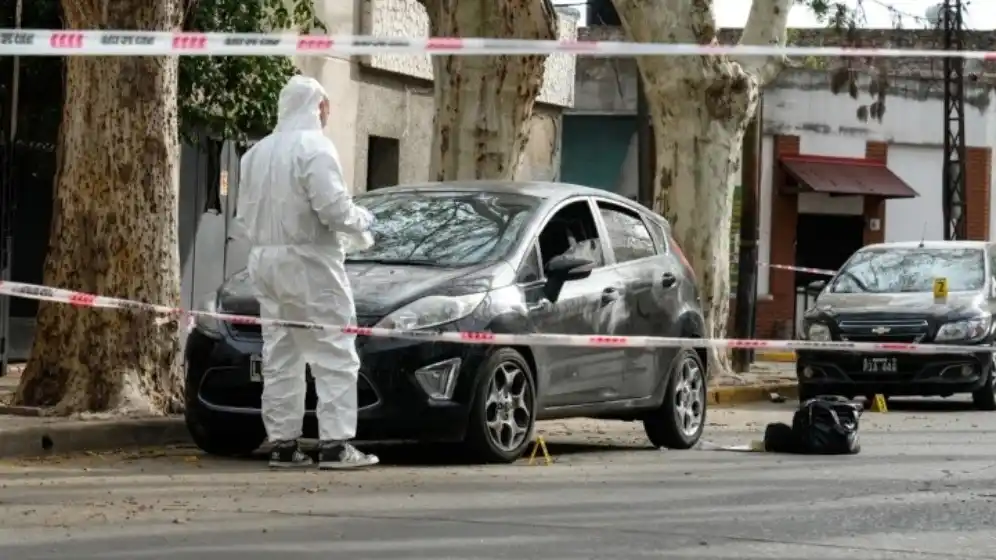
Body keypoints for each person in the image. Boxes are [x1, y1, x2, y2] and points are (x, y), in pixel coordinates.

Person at [236, 75, 378, 470]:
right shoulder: (315, 148)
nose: (327, 114)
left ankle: (283, 444)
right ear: (316, 106)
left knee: (281, 352)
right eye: (325, 107)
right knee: (334, 350)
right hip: (310, 263)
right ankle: (335, 445)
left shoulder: (256, 154)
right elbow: (333, 208)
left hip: (265, 262)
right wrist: (364, 220)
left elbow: (244, 216)